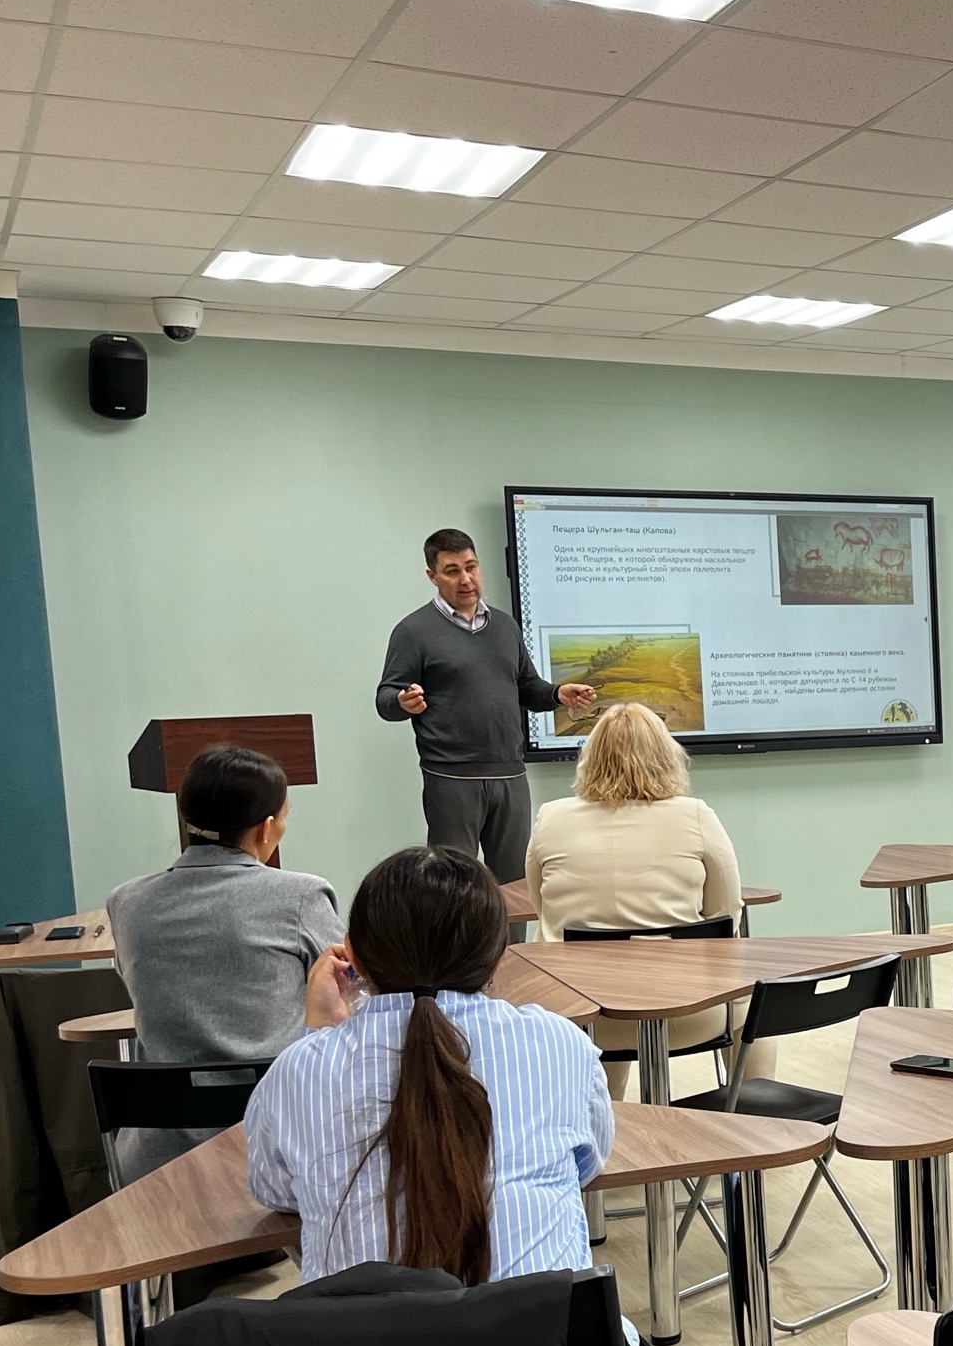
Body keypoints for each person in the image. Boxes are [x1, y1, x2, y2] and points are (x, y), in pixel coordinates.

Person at [246, 843, 614, 1298]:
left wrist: (319, 1034)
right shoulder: (560, 1044)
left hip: (358, 1344)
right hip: (545, 1341)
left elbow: (277, 1190)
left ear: (352, 954)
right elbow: (589, 1160)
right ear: (499, 955)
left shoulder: (299, 1070)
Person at [106, 744, 342, 1177]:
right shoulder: (302, 897)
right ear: (266, 829)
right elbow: (349, 989)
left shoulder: (125, 902)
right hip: (274, 1142)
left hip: (157, 1156)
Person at [525, 701, 747, 1094]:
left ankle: (608, 1116)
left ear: (590, 757)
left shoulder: (551, 817)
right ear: (667, 756)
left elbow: (543, 911)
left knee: (594, 983)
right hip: (684, 1015)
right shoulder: (696, 816)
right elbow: (726, 917)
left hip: (580, 1017)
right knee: (752, 1004)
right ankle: (753, 1117)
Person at [377, 528, 599, 882]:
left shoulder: (505, 626)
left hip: (510, 774)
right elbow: (385, 699)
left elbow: (526, 687)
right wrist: (403, 702)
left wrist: (557, 694)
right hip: (450, 776)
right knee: (452, 884)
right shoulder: (413, 632)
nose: (466, 579)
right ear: (432, 576)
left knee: (516, 885)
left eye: (471, 567)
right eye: (452, 571)